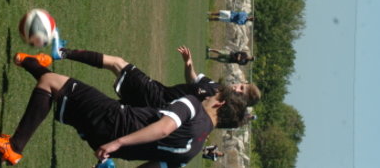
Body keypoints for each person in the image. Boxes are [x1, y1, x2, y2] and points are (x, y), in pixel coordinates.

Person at [0, 50, 256, 166]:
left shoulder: (193, 106)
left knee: (51, 82)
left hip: (114, 122)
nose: (212, 93)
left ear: (219, 103)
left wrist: (118, 143)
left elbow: (164, 128)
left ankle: (14, 147)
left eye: (217, 93)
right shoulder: (194, 150)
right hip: (106, 143)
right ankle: (27, 62)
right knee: (56, 87)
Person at [58, 45, 260, 111]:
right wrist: (188, 64)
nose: (237, 88)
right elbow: (192, 80)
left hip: (156, 97)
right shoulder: (215, 86)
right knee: (105, 106)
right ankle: (60, 96)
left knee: (117, 63)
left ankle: (63, 53)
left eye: (241, 92)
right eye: (241, 85)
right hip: (155, 100)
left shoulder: (216, 105)